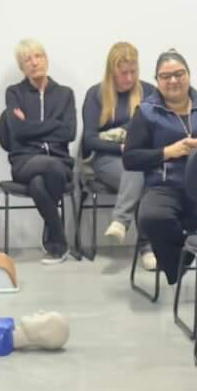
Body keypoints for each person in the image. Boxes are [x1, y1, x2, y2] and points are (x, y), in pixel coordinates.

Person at [125, 50, 197, 284]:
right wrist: (169, 152)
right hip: (164, 186)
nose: (173, 81)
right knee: (152, 217)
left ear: (188, 75)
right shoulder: (146, 112)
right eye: (165, 76)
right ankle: (178, 266)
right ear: (157, 81)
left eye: (179, 74)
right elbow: (130, 158)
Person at [1, 38, 77, 262]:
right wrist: (54, 124)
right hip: (24, 161)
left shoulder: (65, 93)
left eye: (38, 56)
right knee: (48, 165)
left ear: (46, 59)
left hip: (60, 162)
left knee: (38, 184)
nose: (34, 63)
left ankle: (55, 236)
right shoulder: (14, 93)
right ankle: (58, 237)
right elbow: (17, 131)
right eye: (27, 59)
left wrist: (31, 127)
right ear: (21, 67)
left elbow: (69, 133)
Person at [82, 41, 151, 245]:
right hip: (106, 159)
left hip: (140, 156)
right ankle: (147, 247)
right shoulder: (96, 94)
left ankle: (121, 222)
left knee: (141, 172)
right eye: (124, 73)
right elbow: (90, 139)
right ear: (112, 71)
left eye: (133, 71)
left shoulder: (148, 92)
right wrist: (122, 146)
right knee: (140, 176)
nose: (129, 78)